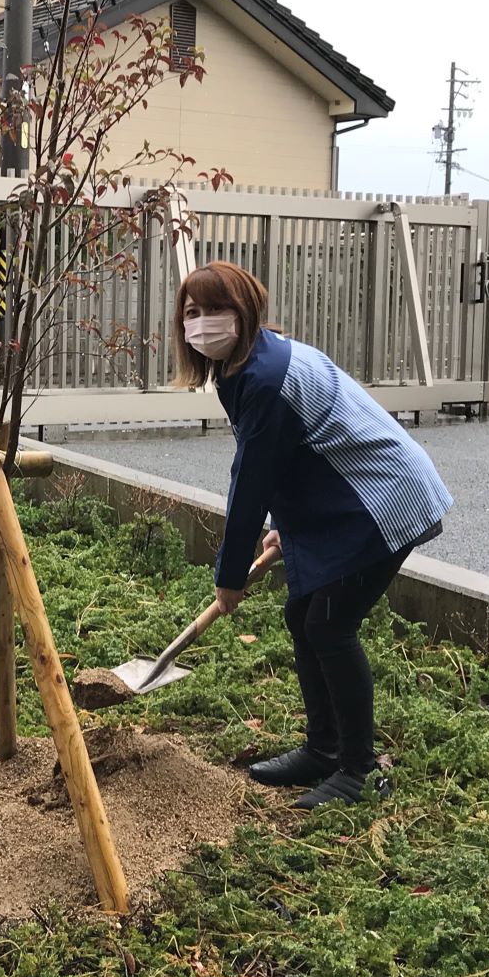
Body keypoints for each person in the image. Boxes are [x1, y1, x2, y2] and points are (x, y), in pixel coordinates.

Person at [176, 262, 452, 809]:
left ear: (247, 310)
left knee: (329, 625)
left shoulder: (264, 378)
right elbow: (294, 456)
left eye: (216, 310)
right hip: (350, 497)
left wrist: (229, 577)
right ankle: (324, 750)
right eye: (191, 313)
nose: (203, 323)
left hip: (384, 500)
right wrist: (282, 529)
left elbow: (250, 482)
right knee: (303, 616)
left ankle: (356, 770)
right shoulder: (254, 361)